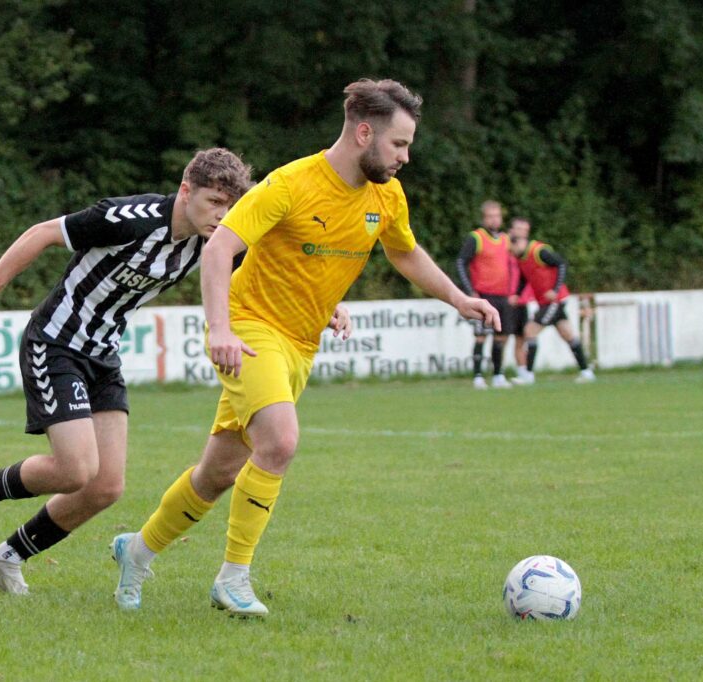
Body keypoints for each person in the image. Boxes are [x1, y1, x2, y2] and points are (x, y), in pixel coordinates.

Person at [109, 78, 499, 617]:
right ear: (365, 133)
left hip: (300, 345)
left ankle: (137, 550)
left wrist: (459, 298)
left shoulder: (386, 195)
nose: (406, 157)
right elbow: (220, 248)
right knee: (282, 441)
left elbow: (405, 255)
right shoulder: (290, 184)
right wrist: (220, 330)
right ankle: (233, 578)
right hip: (249, 330)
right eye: (399, 144)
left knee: (217, 473)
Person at [0, 148, 254, 595]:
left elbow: (263, 275)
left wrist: (320, 310)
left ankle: (6, 557)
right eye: (214, 202)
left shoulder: (215, 244)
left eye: (230, 206)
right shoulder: (128, 218)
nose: (221, 215)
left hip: (103, 354)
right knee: (76, 470)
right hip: (55, 342)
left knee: (106, 486)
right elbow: (42, 233)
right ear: (186, 191)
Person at [508, 226, 595, 384]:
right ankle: (587, 372)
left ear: (519, 243)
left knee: (530, 330)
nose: (511, 253)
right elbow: (524, 278)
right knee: (568, 335)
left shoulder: (539, 251)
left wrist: (555, 290)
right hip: (545, 302)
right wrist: (517, 294)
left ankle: (528, 375)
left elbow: (561, 264)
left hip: (554, 301)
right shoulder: (522, 259)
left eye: (511, 249)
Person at [456, 201, 515, 389]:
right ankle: (478, 376)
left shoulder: (506, 239)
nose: (494, 219)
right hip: (483, 295)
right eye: (490, 216)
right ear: (484, 218)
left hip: (502, 295)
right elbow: (461, 262)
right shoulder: (476, 237)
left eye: (497, 216)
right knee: (481, 336)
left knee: (501, 336)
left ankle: (498, 375)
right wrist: (469, 291)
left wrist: (514, 291)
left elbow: (512, 267)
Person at [506, 217, 531, 377]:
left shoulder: (529, 253)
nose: (522, 233)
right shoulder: (503, 248)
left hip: (520, 302)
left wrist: (520, 297)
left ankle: (523, 372)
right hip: (505, 300)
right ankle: (497, 374)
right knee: (501, 338)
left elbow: (529, 278)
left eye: (524, 230)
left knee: (521, 338)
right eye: (518, 229)